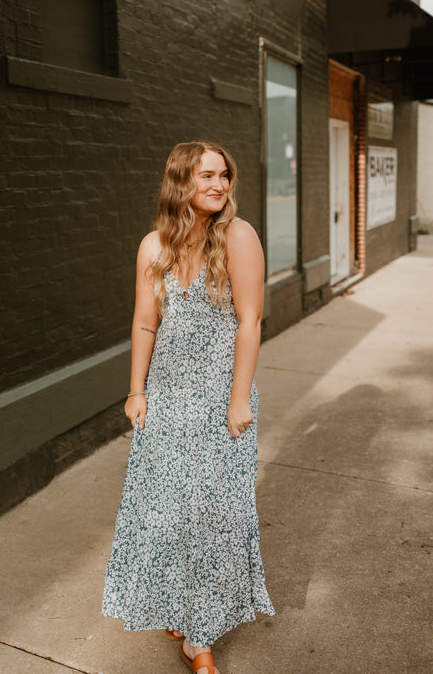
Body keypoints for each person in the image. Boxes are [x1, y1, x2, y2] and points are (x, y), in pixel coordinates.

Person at [102, 141, 274, 674]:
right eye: (207, 176)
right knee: (168, 515)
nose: (219, 184)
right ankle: (184, 609)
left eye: (224, 175)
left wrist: (239, 398)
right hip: (168, 399)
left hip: (221, 400)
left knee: (212, 516)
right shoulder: (153, 246)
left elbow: (250, 321)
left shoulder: (239, 237)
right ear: (181, 181)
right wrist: (136, 390)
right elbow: (145, 322)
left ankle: (198, 639)